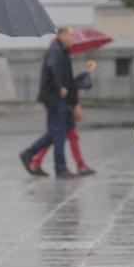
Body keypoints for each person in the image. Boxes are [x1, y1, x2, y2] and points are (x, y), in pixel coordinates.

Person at [19, 26, 79, 178]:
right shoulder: (55, 51)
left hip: (59, 98)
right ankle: (60, 168)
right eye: (71, 36)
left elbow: (68, 77)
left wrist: (73, 101)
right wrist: (60, 87)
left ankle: (28, 153)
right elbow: (52, 68)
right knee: (58, 132)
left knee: (56, 132)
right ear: (62, 36)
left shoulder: (63, 52)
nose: (73, 39)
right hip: (54, 98)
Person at [28, 108, 95, 176]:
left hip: (59, 110)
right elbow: (66, 98)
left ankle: (35, 163)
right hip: (63, 111)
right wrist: (75, 106)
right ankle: (80, 166)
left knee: (59, 137)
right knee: (65, 136)